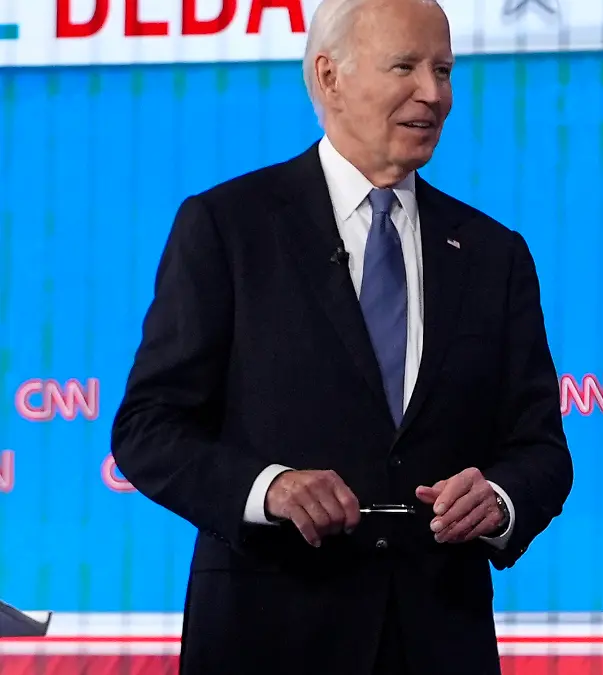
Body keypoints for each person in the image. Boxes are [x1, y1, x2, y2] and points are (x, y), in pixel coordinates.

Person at [109, 0, 573, 672]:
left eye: (443, 69)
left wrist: (498, 499)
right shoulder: (229, 227)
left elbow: (541, 449)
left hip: (440, 640)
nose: (434, 93)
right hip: (268, 640)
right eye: (406, 67)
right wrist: (267, 487)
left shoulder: (492, 253)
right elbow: (148, 428)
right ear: (329, 78)